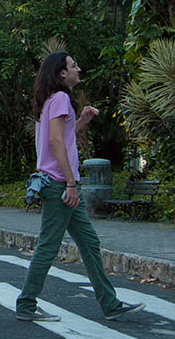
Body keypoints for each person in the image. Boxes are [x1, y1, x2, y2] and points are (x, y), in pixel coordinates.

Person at [16, 52, 144, 321]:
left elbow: (61, 137)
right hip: (60, 185)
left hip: (58, 183)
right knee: (49, 246)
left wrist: (82, 120)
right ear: (61, 73)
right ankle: (26, 304)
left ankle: (109, 304)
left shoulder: (50, 100)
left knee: (89, 243)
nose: (78, 68)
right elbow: (56, 142)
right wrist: (71, 184)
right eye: (74, 65)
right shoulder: (61, 98)